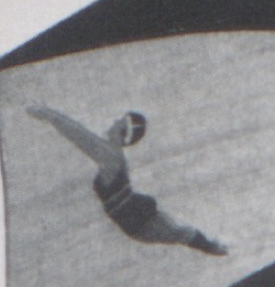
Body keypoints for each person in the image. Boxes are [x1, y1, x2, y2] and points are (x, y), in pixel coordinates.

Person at [26, 103, 229, 255]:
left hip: (140, 220)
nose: (114, 122)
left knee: (181, 233)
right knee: (180, 233)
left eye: (120, 122)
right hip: (137, 220)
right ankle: (212, 247)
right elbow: (81, 135)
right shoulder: (113, 154)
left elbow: (78, 134)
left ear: (123, 133)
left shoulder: (110, 155)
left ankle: (213, 247)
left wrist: (49, 115)